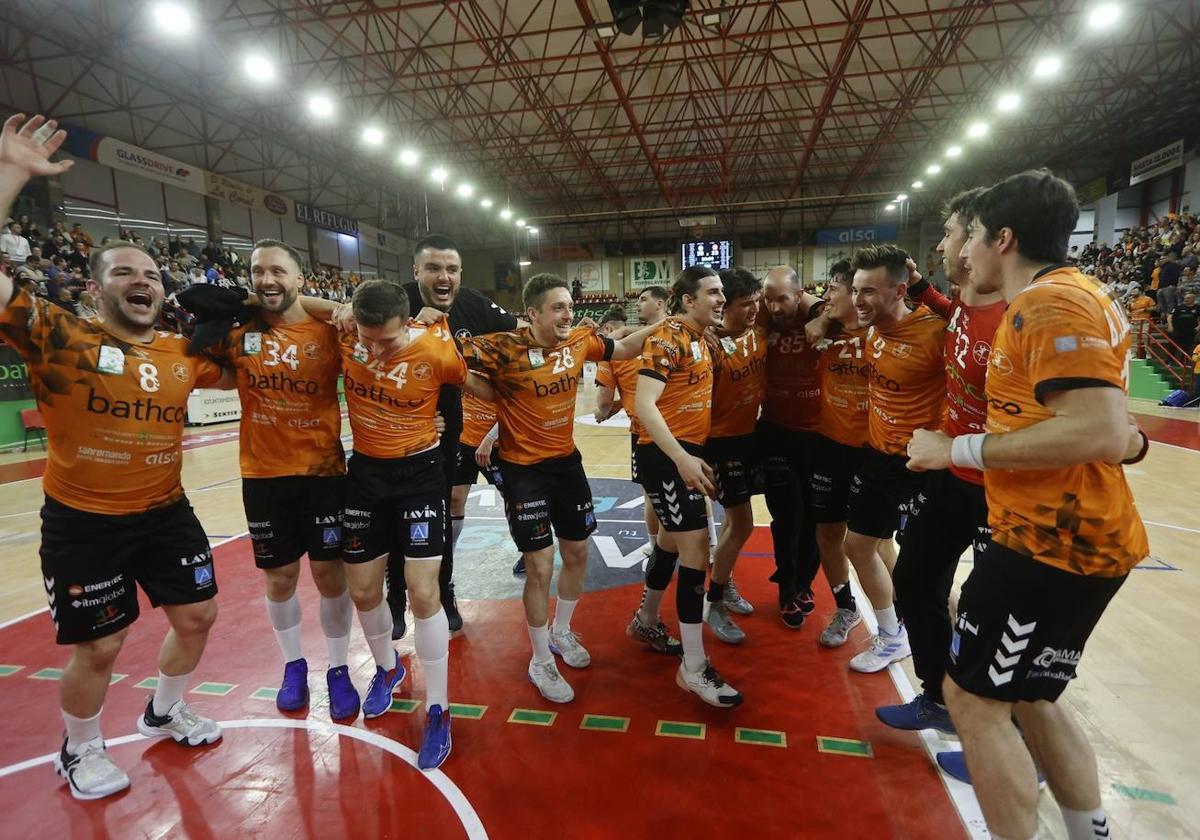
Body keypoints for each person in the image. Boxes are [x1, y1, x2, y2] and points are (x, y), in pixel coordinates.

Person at [907, 169, 1149, 840]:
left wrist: (951, 451)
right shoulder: (1078, 294)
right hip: (1074, 535)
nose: (963, 254)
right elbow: (1113, 430)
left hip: (1050, 541)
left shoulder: (1047, 305)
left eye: (974, 237)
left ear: (1003, 239)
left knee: (975, 700)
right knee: (1034, 698)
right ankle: (1088, 829)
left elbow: (1098, 429)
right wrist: (1131, 442)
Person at [0, 113, 234, 800]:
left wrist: (245, 311)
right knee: (99, 646)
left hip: (165, 513)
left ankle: (163, 708)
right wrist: (12, 173)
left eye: (153, 274)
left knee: (198, 617)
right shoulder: (56, 334)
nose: (144, 280)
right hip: (84, 521)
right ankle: (79, 750)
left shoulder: (182, 354)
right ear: (98, 287)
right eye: (125, 271)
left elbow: (252, 367)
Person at [462, 273, 656, 703]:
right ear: (532, 314)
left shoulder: (581, 341)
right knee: (539, 566)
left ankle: (562, 632)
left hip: (566, 464)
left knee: (578, 552)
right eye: (558, 308)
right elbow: (450, 364)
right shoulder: (500, 347)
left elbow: (623, 348)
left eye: (570, 306)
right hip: (523, 471)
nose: (568, 314)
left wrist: (667, 325)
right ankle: (539, 660)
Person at [875, 188, 1006, 734]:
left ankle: (1009, 729)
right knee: (914, 578)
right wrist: (924, 287)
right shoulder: (961, 312)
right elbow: (954, 314)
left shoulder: (1021, 316)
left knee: (991, 612)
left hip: (1000, 487)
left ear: (984, 242)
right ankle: (937, 695)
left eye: (951, 234)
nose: (941, 244)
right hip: (951, 474)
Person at [330, 279, 470, 769]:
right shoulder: (349, 334)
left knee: (422, 591)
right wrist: (341, 307)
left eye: (386, 341)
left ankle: (439, 708)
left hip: (420, 474)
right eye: (367, 338)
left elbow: (461, 387)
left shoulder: (436, 349)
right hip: (366, 473)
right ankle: (387, 670)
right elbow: (289, 303)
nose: (375, 349)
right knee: (364, 591)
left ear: (407, 322)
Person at [221, 239, 359, 721]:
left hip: (321, 473)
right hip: (262, 475)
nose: (267, 279)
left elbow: (374, 334)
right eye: (258, 272)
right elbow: (199, 305)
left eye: (278, 271)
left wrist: (336, 307)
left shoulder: (329, 331)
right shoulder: (238, 330)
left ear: (300, 279)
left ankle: (339, 669)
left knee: (330, 575)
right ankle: (293, 665)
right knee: (279, 578)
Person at [392, 234, 520, 638]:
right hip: (395, 430)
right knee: (396, 514)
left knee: (441, 515)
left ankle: (444, 592)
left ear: (461, 273)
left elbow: (521, 330)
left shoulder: (475, 305)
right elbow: (356, 343)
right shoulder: (393, 302)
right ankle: (395, 596)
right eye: (433, 268)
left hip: (447, 430)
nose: (443, 276)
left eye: (451, 269)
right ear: (416, 272)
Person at [630, 265, 743, 706]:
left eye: (722, 292)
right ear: (686, 299)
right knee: (696, 550)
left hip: (684, 453)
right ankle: (693, 668)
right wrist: (681, 459)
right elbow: (643, 404)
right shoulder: (669, 338)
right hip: (667, 457)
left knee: (670, 544)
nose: (721, 299)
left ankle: (645, 619)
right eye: (713, 292)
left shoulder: (700, 337)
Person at [843, 243, 946, 673]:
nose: (857, 300)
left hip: (919, 469)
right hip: (876, 459)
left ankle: (949, 651)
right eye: (854, 289)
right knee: (857, 545)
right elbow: (824, 308)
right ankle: (891, 636)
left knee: (924, 577)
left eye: (868, 291)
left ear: (900, 290)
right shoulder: (871, 329)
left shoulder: (936, 333)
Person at [757, 266, 834, 628]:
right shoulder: (763, 317)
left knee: (814, 519)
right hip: (775, 432)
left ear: (799, 294)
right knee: (787, 516)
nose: (774, 306)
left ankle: (804, 583)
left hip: (818, 436)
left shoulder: (820, 315)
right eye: (768, 298)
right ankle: (787, 588)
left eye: (782, 298)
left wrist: (821, 314)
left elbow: (837, 307)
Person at [701, 268, 767, 643]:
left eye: (756, 301)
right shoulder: (708, 344)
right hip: (719, 442)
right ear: (726, 306)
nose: (755, 309)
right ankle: (714, 602)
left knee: (733, 518)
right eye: (746, 304)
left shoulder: (758, 328)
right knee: (741, 522)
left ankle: (722, 587)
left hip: (749, 437)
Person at [808, 261, 872, 648]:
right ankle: (846, 607)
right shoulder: (822, 326)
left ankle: (895, 614)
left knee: (873, 542)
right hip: (829, 445)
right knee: (828, 533)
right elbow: (800, 304)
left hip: (874, 450)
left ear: (857, 294)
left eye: (834, 289)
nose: (826, 296)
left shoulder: (884, 330)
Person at [594, 285, 669, 562]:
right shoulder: (676, 334)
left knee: (651, 493)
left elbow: (601, 407)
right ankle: (708, 542)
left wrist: (612, 407)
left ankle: (655, 547)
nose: (637, 304)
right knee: (690, 487)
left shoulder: (615, 352)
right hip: (681, 425)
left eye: (643, 299)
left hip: (645, 432)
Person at [1126, 285, 1155, 358]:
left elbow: (1154, 307)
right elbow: (1127, 309)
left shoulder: (1147, 299)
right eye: (1132, 291)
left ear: (1140, 292)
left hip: (1144, 321)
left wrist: (1145, 309)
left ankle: (1148, 353)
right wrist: (1127, 312)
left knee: (1146, 338)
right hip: (1133, 321)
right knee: (1133, 338)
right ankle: (1133, 353)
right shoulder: (1131, 300)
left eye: (1135, 291)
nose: (1133, 292)